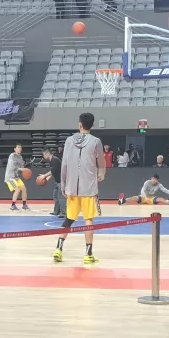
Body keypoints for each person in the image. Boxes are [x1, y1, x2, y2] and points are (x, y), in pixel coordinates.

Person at [54, 112, 104, 264]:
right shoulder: (96, 142)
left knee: (69, 219)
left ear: (79, 124)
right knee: (88, 219)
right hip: (88, 188)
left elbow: (64, 164)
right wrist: (101, 174)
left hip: (72, 187)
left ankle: (58, 249)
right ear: (92, 125)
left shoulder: (69, 141)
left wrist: (64, 185)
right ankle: (88, 254)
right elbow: (101, 163)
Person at [38, 147, 65, 218]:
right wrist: (47, 178)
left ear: (47, 153)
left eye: (43, 154)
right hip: (58, 181)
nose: (43, 156)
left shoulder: (54, 160)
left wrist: (44, 176)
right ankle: (56, 211)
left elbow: (53, 171)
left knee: (61, 197)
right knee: (55, 195)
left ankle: (63, 213)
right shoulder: (52, 160)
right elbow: (54, 172)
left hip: (61, 181)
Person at [5, 143, 29, 211]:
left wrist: (25, 169)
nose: (20, 149)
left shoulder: (20, 157)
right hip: (10, 177)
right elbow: (12, 167)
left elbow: (21, 168)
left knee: (24, 188)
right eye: (18, 147)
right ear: (15, 149)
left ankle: (24, 205)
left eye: (20, 148)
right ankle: (13, 205)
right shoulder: (12, 156)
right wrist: (21, 169)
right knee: (17, 189)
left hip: (16, 177)